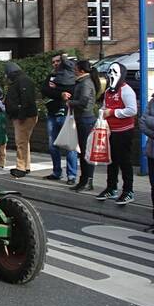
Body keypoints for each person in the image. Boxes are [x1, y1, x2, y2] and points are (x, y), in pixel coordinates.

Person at [95, 62, 138, 204]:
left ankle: (128, 190)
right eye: (110, 72)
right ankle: (111, 188)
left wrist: (113, 112)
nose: (111, 75)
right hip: (110, 131)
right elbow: (104, 106)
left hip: (124, 132)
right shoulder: (108, 92)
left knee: (125, 161)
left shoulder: (126, 90)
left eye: (115, 72)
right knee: (111, 161)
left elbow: (132, 110)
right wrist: (102, 112)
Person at [63, 60, 100, 192]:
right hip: (83, 119)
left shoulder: (85, 83)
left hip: (86, 120)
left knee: (86, 152)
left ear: (82, 71)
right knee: (83, 152)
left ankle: (88, 181)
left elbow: (83, 102)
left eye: (76, 68)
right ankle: (84, 180)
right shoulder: (83, 82)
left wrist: (69, 102)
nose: (74, 70)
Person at [42, 53, 78, 184]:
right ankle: (57, 172)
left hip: (66, 115)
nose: (55, 64)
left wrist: (57, 90)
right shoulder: (51, 76)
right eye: (53, 62)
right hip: (52, 113)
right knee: (52, 146)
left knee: (69, 146)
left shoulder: (71, 77)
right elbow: (44, 90)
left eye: (57, 61)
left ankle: (72, 175)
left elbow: (72, 91)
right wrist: (60, 93)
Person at [4, 62, 38, 178]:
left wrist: (21, 115)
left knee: (21, 143)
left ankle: (21, 168)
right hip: (24, 115)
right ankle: (26, 165)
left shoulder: (22, 81)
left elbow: (26, 99)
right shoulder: (23, 80)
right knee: (24, 142)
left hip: (23, 117)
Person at [138, 92, 154, 233]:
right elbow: (143, 122)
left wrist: (151, 120)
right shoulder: (152, 101)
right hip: (152, 151)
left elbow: (148, 120)